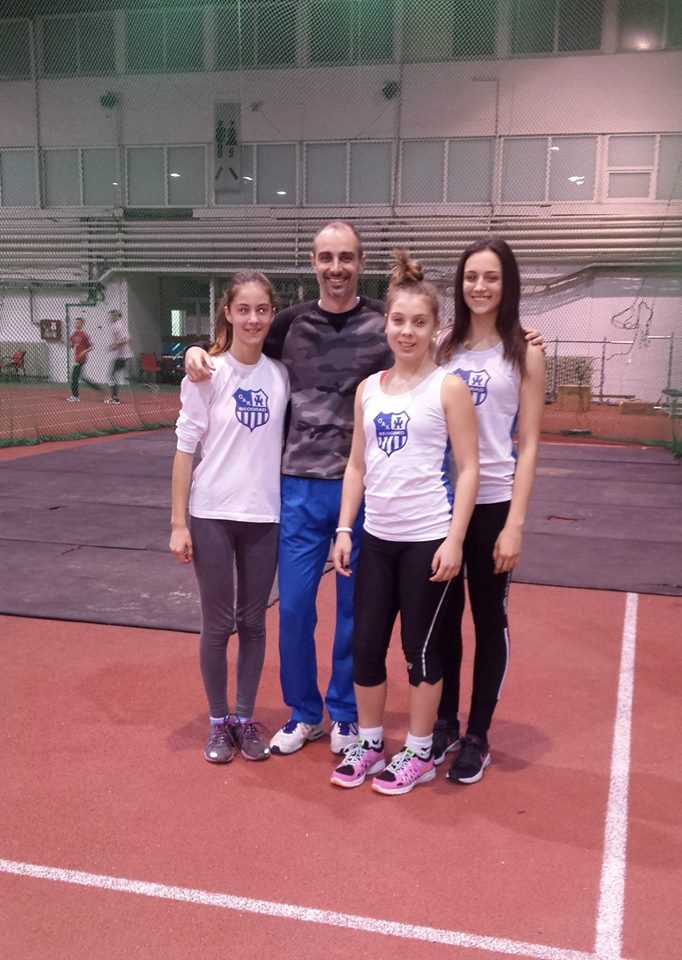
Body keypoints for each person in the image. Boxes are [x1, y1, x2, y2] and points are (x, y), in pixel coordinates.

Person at [183, 221, 393, 757]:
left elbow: (430, 343)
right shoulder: (288, 323)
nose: (336, 267)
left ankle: (344, 713)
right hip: (296, 490)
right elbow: (240, 345)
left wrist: (514, 336)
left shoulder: (384, 321)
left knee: (353, 611)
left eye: (346, 257)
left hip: (358, 489)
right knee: (295, 609)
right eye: (326, 257)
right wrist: (196, 349)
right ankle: (305, 713)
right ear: (313, 262)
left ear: (361, 262)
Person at [329, 250, 479, 795]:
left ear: (436, 328)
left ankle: (418, 752)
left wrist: (455, 540)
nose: (407, 331)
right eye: (398, 320)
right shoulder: (369, 389)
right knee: (367, 647)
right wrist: (345, 528)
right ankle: (370, 743)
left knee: (421, 652)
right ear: (385, 324)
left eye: (419, 322)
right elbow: (357, 465)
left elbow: (469, 469)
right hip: (376, 540)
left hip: (427, 542)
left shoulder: (447, 388)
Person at [432, 237, 546, 785]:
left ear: (508, 284)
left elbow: (530, 442)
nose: (480, 286)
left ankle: (478, 734)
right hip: (439, 505)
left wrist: (515, 525)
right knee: (442, 620)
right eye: (471, 276)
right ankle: (445, 722)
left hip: (494, 504)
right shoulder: (441, 346)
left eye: (491, 277)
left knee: (488, 619)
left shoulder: (525, 351)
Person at [170, 271, 289, 764]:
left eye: (262, 310)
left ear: (272, 314)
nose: (253, 319)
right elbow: (184, 450)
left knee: (253, 622)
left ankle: (244, 717)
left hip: (263, 514)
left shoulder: (281, 376)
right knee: (218, 624)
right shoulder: (206, 373)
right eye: (244, 310)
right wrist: (178, 523)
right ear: (228, 313)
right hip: (213, 513)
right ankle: (218, 721)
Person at [66, 317, 101, 401]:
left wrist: (84, 352)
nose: (76, 324)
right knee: (81, 377)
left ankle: (75, 396)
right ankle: (97, 387)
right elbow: (71, 345)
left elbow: (91, 346)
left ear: (82, 324)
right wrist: (65, 343)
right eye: (75, 322)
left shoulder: (84, 334)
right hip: (76, 358)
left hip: (81, 358)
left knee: (74, 377)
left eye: (78, 323)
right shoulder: (74, 334)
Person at [105, 309, 133, 404]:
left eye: (112, 316)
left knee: (112, 375)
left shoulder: (118, 326)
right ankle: (147, 384)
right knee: (119, 375)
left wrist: (115, 346)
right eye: (109, 316)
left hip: (123, 355)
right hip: (120, 355)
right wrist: (114, 345)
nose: (109, 318)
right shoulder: (114, 325)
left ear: (116, 316)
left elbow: (126, 339)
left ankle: (114, 397)